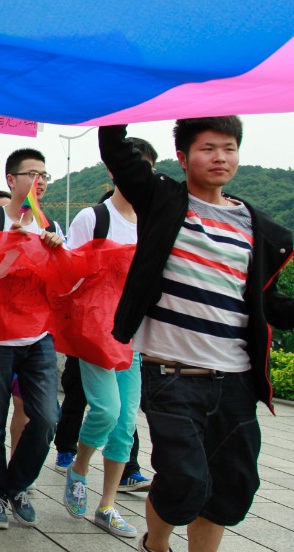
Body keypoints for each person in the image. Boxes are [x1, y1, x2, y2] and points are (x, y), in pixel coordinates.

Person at [100, 118, 294, 552]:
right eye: (208, 148)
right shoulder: (165, 200)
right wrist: (126, 95)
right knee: (185, 478)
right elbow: (115, 149)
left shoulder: (257, 228)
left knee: (229, 487)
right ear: (184, 158)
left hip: (236, 380)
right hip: (171, 374)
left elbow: (267, 303)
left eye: (229, 147)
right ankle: (157, 545)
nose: (220, 157)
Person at [60, 141, 157, 539]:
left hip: (133, 336)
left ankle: (107, 505)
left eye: (145, 170)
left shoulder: (155, 222)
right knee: (107, 410)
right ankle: (79, 466)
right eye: (130, 168)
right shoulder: (93, 217)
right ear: (114, 172)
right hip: (96, 331)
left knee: (126, 424)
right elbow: (65, 273)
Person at [0, 148, 64, 531]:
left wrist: (55, 251)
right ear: (12, 180)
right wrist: (8, 248)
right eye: (32, 174)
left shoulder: (50, 224)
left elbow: (62, 280)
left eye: (44, 175)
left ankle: (18, 485)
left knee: (45, 419)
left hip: (38, 335)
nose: (39, 181)